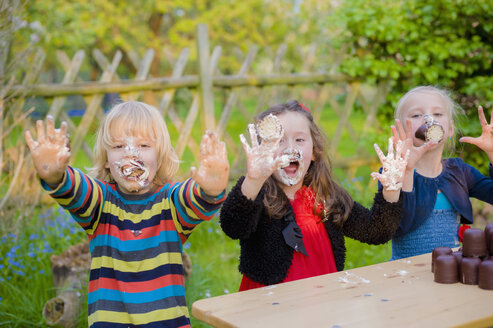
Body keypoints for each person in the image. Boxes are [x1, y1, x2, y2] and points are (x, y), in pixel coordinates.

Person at [25, 101, 229, 327]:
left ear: (159, 156)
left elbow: (194, 199)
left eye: (143, 145)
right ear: (106, 159)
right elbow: (74, 190)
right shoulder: (100, 203)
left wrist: (210, 189)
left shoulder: (170, 203)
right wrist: (54, 175)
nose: (131, 154)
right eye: (119, 146)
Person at [219, 100, 408, 290]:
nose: (289, 148)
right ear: (263, 151)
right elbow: (233, 226)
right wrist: (253, 180)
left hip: (323, 303)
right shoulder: (258, 195)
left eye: (299, 140)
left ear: (314, 152)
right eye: (278, 141)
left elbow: (376, 231)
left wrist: (391, 189)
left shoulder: (328, 196)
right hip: (271, 306)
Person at [390, 86, 493, 260]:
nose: (428, 119)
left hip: (452, 271)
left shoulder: (460, 171)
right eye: (416, 115)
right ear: (401, 130)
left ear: (450, 129)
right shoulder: (392, 173)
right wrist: (405, 172)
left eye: (437, 114)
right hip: (406, 274)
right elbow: (397, 224)